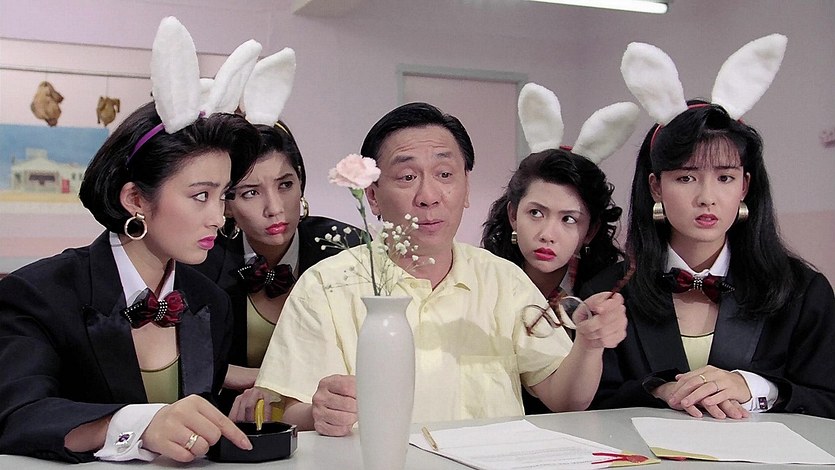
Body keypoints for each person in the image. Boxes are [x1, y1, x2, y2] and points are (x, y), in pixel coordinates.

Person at [231, 102, 627, 435]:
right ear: (372, 196)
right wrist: (318, 413)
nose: (429, 196)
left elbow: (565, 399)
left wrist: (589, 344)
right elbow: (283, 408)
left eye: (444, 175)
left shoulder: (504, 281)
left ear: (466, 188)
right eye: (407, 177)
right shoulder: (326, 284)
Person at [0, 17, 261, 462]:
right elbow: (17, 417)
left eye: (224, 196)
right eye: (200, 196)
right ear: (136, 199)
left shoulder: (210, 303)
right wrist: (136, 424)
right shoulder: (40, 294)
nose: (219, 218)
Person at [584, 35, 835, 420]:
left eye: (725, 178)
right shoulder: (608, 292)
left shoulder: (802, 292)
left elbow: (828, 399)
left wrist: (754, 387)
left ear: (745, 187)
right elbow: (589, 404)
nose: (707, 197)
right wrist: (659, 389)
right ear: (656, 186)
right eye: (686, 178)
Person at [482, 84, 637, 414]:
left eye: (568, 219)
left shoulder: (608, 294)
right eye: (536, 213)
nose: (547, 234)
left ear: (590, 230)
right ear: (513, 214)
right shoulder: (484, 281)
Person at [196, 120, 362, 411]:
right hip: (231, 417)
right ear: (226, 204)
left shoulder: (345, 248)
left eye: (285, 185)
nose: (274, 208)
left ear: (301, 182)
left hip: (330, 413)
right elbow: (189, 361)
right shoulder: (203, 259)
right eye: (251, 192)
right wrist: (266, 381)